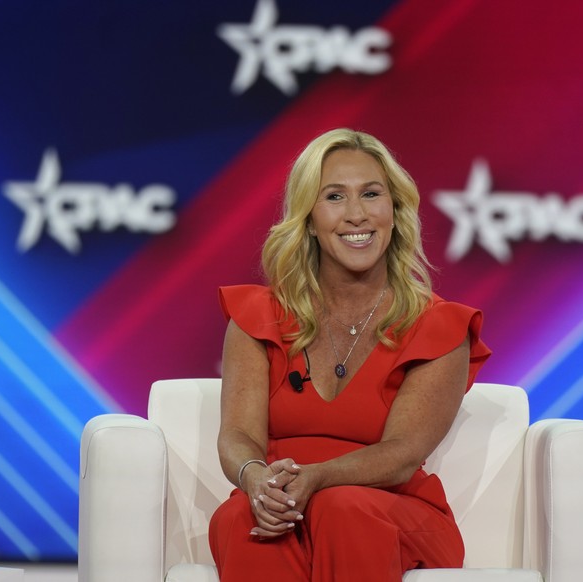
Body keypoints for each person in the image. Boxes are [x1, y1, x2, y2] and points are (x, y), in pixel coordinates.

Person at [209, 128, 491, 581]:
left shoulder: (438, 326)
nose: (356, 215)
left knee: (341, 507)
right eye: (334, 197)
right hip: (286, 505)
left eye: (372, 194)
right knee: (241, 518)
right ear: (308, 217)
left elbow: (402, 454)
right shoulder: (257, 316)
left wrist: (316, 480)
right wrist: (255, 479)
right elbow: (237, 434)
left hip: (391, 510)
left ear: (395, 211)